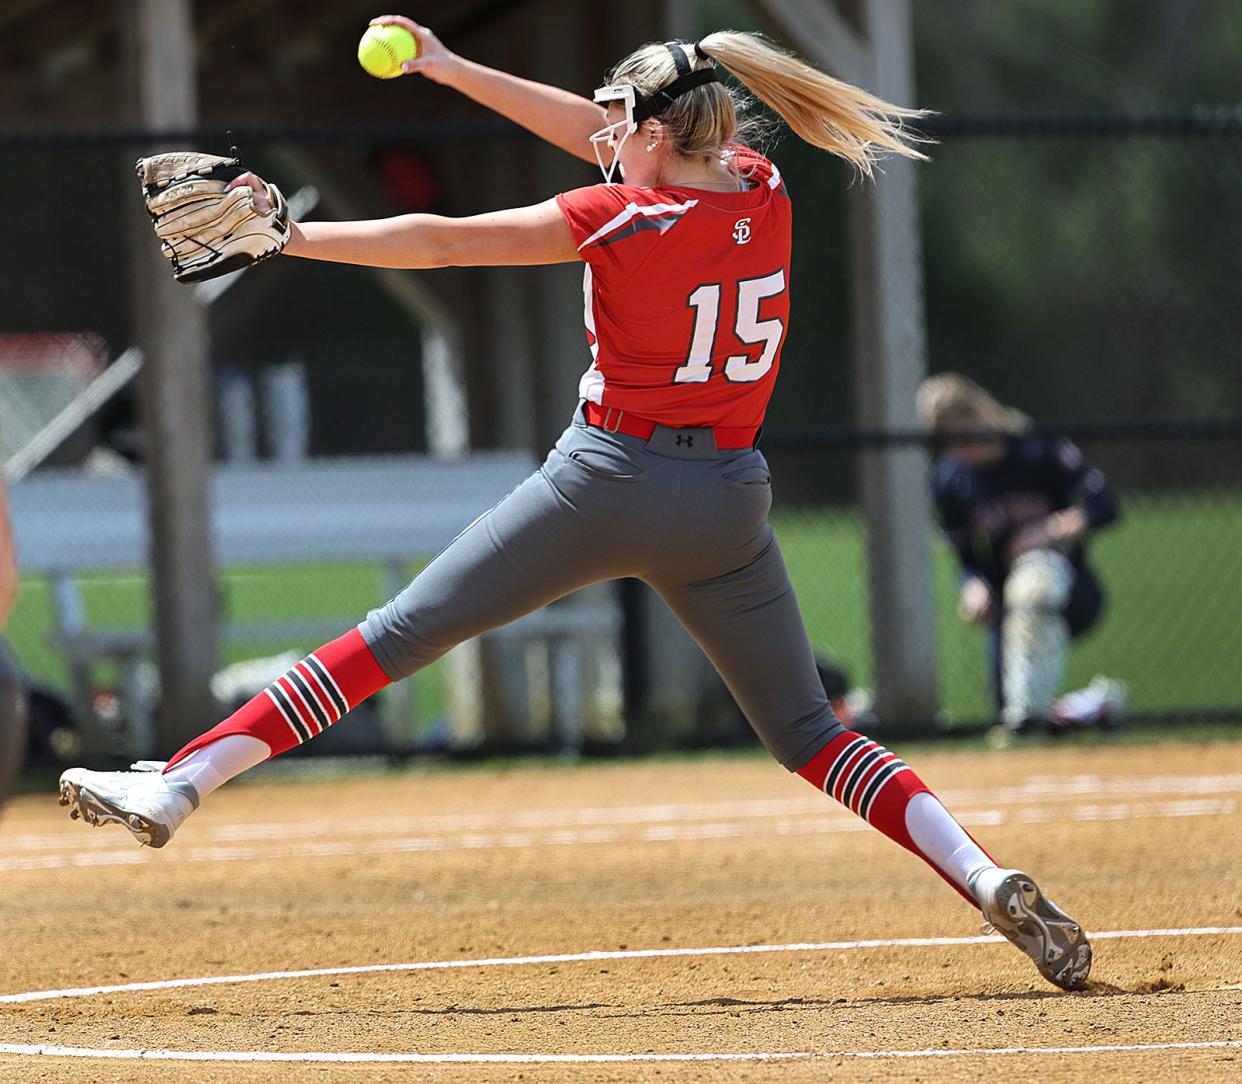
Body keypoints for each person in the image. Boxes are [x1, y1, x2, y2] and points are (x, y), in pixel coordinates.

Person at [59, 17, 1091, 990]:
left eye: (615, 120)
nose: (597, 134)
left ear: (651, 133)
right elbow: (607, 140)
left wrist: (294, 234)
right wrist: (452, 68)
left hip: (608, 481)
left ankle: (180, 784)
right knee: (814, 734)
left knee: (396, 635)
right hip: (728, 499)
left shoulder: (622, 214)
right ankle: (981, 873)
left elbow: (447, 240)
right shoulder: (757, 183)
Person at [918, 373, 1125, 739]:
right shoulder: (951, 479)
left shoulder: (1038, 449)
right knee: (1013, 711)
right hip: (1006, 604)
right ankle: (1092, 706)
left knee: (1036, 582)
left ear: (981, 415)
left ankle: (1039, 713)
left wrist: (1050, 530)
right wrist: (973, 585)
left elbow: (1106, 505)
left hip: (1070, 588)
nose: (961, 450)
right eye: (949, 443)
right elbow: (966, 556)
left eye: (965, 436)